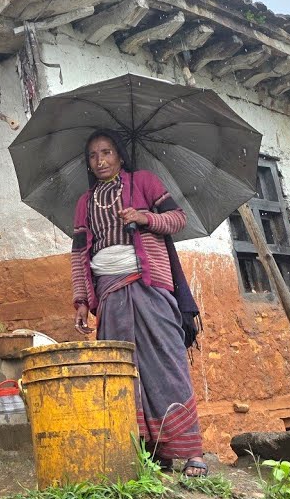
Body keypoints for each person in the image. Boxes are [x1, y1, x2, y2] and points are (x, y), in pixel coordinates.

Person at [71, 129, 208, 477]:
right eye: (92, 155)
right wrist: (81, 301)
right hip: (109, 291)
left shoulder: (143, 182)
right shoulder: (84, 203)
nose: (100, 161)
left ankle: (191, 451)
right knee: (123, 368)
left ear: (119, 155)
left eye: (107, 152)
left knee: (166, 360)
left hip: (151, 284)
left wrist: (144, 218)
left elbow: (178, 219)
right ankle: (151, 452)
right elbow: (78, 255)